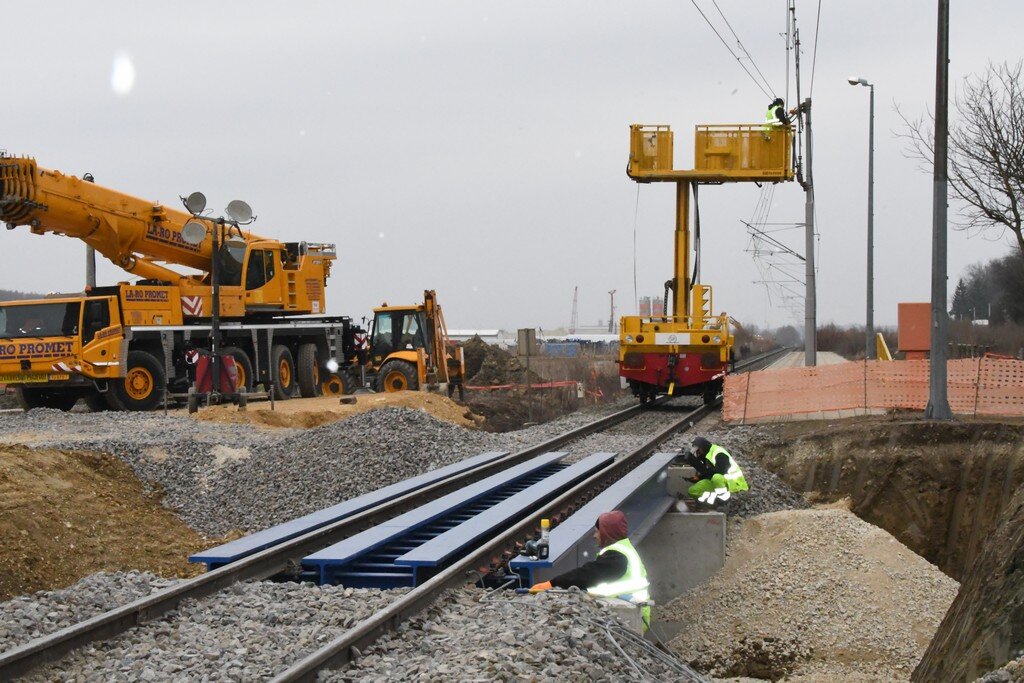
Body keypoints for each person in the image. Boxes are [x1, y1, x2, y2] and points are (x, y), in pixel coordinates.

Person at [529, 510, 651, 630]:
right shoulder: (624, 549)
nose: (594, 536)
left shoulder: (618, 556)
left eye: (597, 532)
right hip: (631, 609)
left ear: (607, 533)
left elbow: (588, 574)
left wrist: (552, 583)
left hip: (630, 615)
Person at [685, 436, 748, 506]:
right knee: (693, 491)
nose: (698, 453)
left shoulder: (719, 453)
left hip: (732, 482)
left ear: (702, 447)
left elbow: (719, 472)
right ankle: (715, 501)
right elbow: (709, 472)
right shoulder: (707, 454)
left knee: (716, 477)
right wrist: (698, 478)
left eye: (698, 450)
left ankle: (724, 501)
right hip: (718, 482)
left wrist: (698, 465)